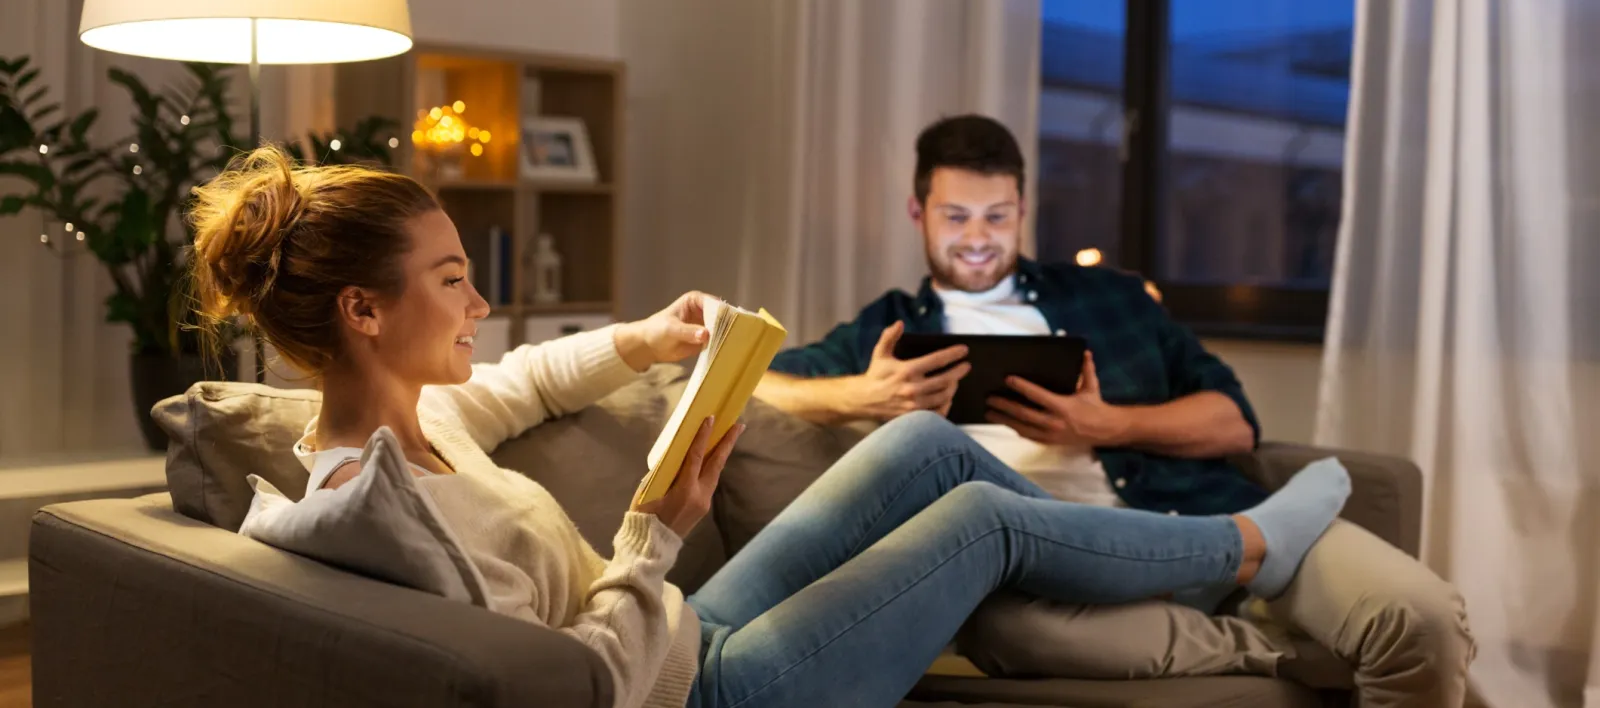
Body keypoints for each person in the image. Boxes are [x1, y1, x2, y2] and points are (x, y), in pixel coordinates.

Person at [188, 146, 1352, 708]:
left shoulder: (410, 420)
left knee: (921, 448)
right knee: (985, 521)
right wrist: (656, 528)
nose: (480, 303)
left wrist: (643, 343)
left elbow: (528, 383)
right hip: (699, 694)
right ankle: (1245, 550)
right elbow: (575, 686)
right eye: (452, 280)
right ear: (363, 309)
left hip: (680, 635)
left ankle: (1173, 563)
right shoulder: (391, 511)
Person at [754, 115, 1475, 708]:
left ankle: (1262, 556)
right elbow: (762, 383)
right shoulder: (887, 328)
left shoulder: (1111, 299)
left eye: (998, 216)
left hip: (1192, 509)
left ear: (1024, 211)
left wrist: (1108, 426)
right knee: (1008, 635)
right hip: (1056, 570)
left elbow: (1234, 422)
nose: (978, 236)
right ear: (919, 213)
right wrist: (863, 395)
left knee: (1424, 617)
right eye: (956, 216)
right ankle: (1307, 656)